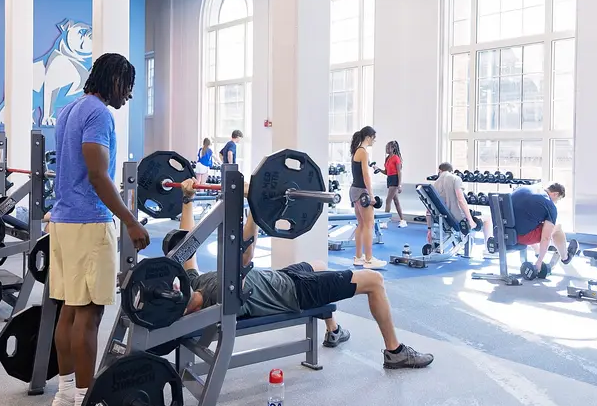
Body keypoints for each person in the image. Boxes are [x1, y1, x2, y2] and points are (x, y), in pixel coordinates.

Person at [177, 178, 434, 369]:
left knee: (319, 264)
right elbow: (244, 255)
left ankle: (333, 330)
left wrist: (186, 200)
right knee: (375, 281)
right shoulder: (217, 295)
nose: (174, 287)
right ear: (188, 310)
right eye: (174, 295)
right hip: (297, 293)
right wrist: (255, 206)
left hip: (283, 277)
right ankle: (395, 351)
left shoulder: (193, 283)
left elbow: (187, 246)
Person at [47, 53, 151, 406]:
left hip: (62, 221)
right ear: (114, 79)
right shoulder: (99, 114)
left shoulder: (69, 109)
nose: (129, 94)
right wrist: (131, 221)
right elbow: (97, 174)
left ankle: (64, 395)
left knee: (70, 311)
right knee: (89, 316)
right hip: (88, 222)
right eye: (128, 85)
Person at [509, 182, 576, 276]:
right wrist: (539, 261)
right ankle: (565, 257)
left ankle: (538, 251)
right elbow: (546, 238)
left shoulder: (524, 188)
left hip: (505, 231)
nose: (555, 202)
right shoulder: (549, 205)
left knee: (535, 223)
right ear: (555, 194)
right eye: (557, 200)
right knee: (557, 228)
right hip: (520, 236)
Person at [427, 162, 492, 246]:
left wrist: (429, 229)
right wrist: (471, 221)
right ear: (451, 171)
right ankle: (488, 248)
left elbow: (429, 209)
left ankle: (467, 244)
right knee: (487, 218)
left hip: (443, 218)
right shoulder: (455, 179)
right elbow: (461, 200)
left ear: (440, 170)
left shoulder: (435, 183)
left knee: (474, 216)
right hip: (458, 218)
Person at [349, 126, 386, 269]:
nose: (373, 141)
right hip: (361, 191)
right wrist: (370, 194)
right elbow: (366, 175)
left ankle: (359, 257)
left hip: (353, 190)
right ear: (369, 137)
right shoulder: (363, 152)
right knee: (369, 225)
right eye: (373, 139)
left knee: (361, 224)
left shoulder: (355, 151)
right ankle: (369, 260)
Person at [382, 140, 406, 228]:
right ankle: (403, 220)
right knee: (396, 201)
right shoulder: (387, 158)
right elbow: (386, 172)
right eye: (386, 148)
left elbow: (399, 172)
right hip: (389, 179)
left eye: (388, 148)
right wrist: (378, 169)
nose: (387, 149)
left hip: (395, 180)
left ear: (393, 148)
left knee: (388, 200)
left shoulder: (396, 158)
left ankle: (385, 222)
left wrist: (399, 185)